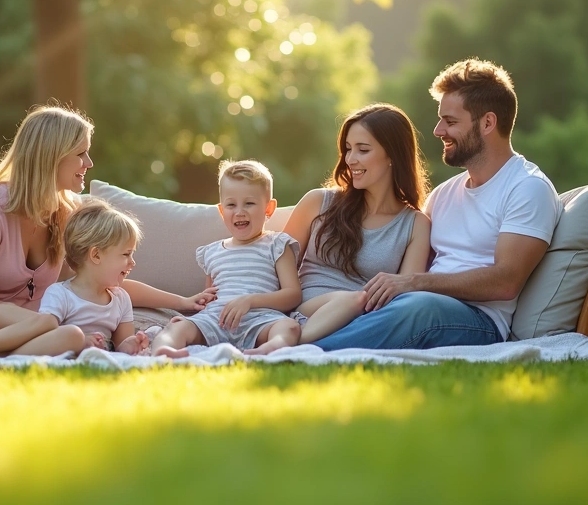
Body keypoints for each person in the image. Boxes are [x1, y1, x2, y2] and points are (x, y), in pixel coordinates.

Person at [0, 105, 213, 357]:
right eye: (81, 154)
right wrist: (41, 320)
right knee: (56, 326)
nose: (89, 163)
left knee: (70, 334)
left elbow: (99, 280)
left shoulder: (68, 212)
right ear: (52, 157)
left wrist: (182, 301)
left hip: (27, 321)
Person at [309, 59, 562, 350]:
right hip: (418, 304)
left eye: (451, 121)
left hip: (476, 320)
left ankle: (300, 351)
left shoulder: (527, 188)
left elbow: (506, 281)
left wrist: (416, 283)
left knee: (418, 308)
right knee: (388, 304)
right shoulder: (444, 194)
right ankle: (291, 337)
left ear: (488, 123)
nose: (438, 130)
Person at [279, 104, 432, 350]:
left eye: (363, 150)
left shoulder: (415, 224)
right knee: (355, 299)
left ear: (393, 155)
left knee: (364, 303)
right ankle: (292, 339)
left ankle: (293, 343)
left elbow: (404, 298)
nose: (350, 159)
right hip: (302, 312)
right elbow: (275, 265)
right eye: (348, 149)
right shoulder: (318, 202)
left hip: (361, 325)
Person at [152, 160, 302, 358]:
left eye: (249, 203)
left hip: (260, 319)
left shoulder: (277, 244)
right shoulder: (212, 251)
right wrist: (199, 305)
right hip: (216, 319)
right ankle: (165, 351)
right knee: (176, 327)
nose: (240, 212)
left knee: (289, 327)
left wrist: (250, 301)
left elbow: (293, 295)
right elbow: (211, 295)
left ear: (269, 208)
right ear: (222, 210)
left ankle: (269, 349)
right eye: (231, 205)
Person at [37, 198, 150, 355]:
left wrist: (131, 344)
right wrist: (82, 342)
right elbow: (45, 339)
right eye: (126, 254)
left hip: (96, 365)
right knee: (72, 334)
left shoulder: (121, 299)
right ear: (96, 255)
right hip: (62, 358)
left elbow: (120, 351)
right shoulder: (60, 294)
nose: (133, 263)